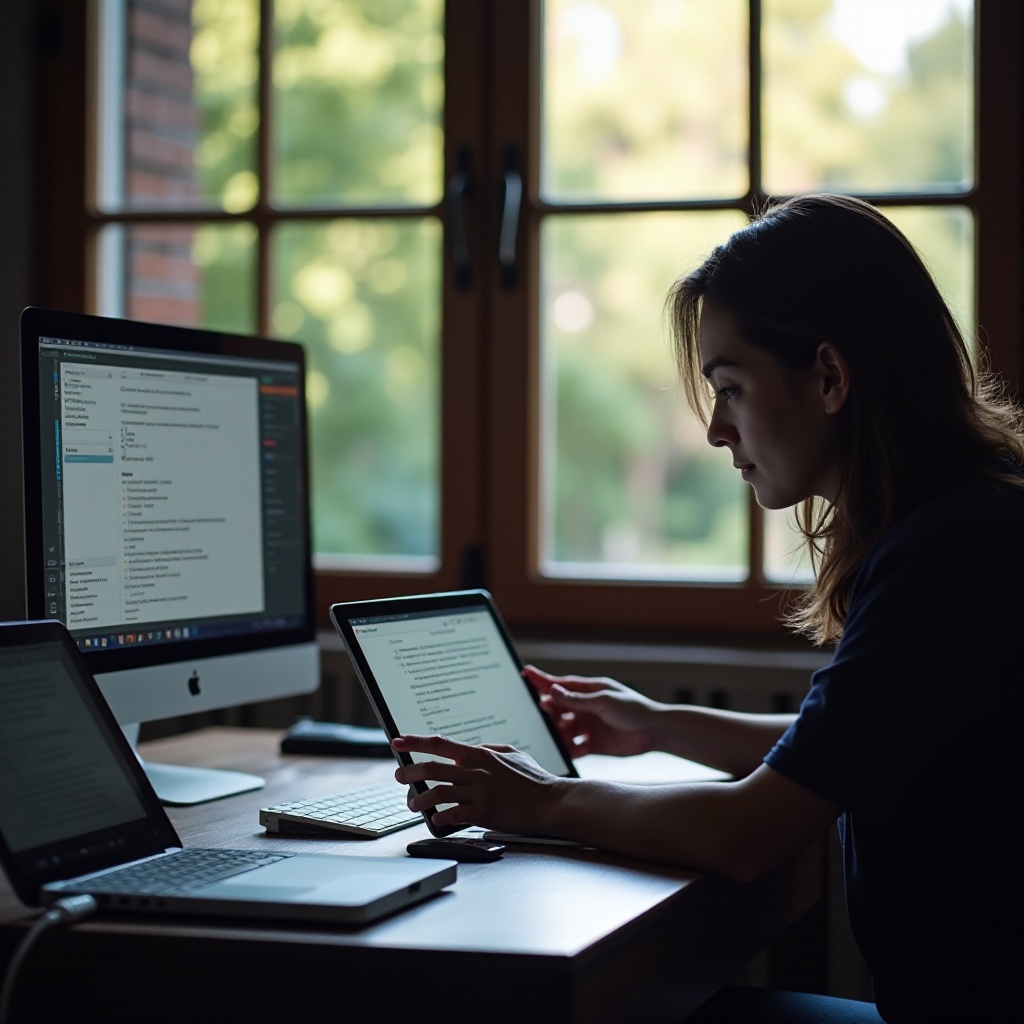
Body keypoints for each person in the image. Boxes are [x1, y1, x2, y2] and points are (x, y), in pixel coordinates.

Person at [392, 194, 1024, 1023]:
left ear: (830, 377)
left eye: (730, 386)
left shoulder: (944, 557)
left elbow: (745, 833)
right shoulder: (967, 522)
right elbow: (846, 750)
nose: (717, 429)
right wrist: (660, 724)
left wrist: (536, 802)